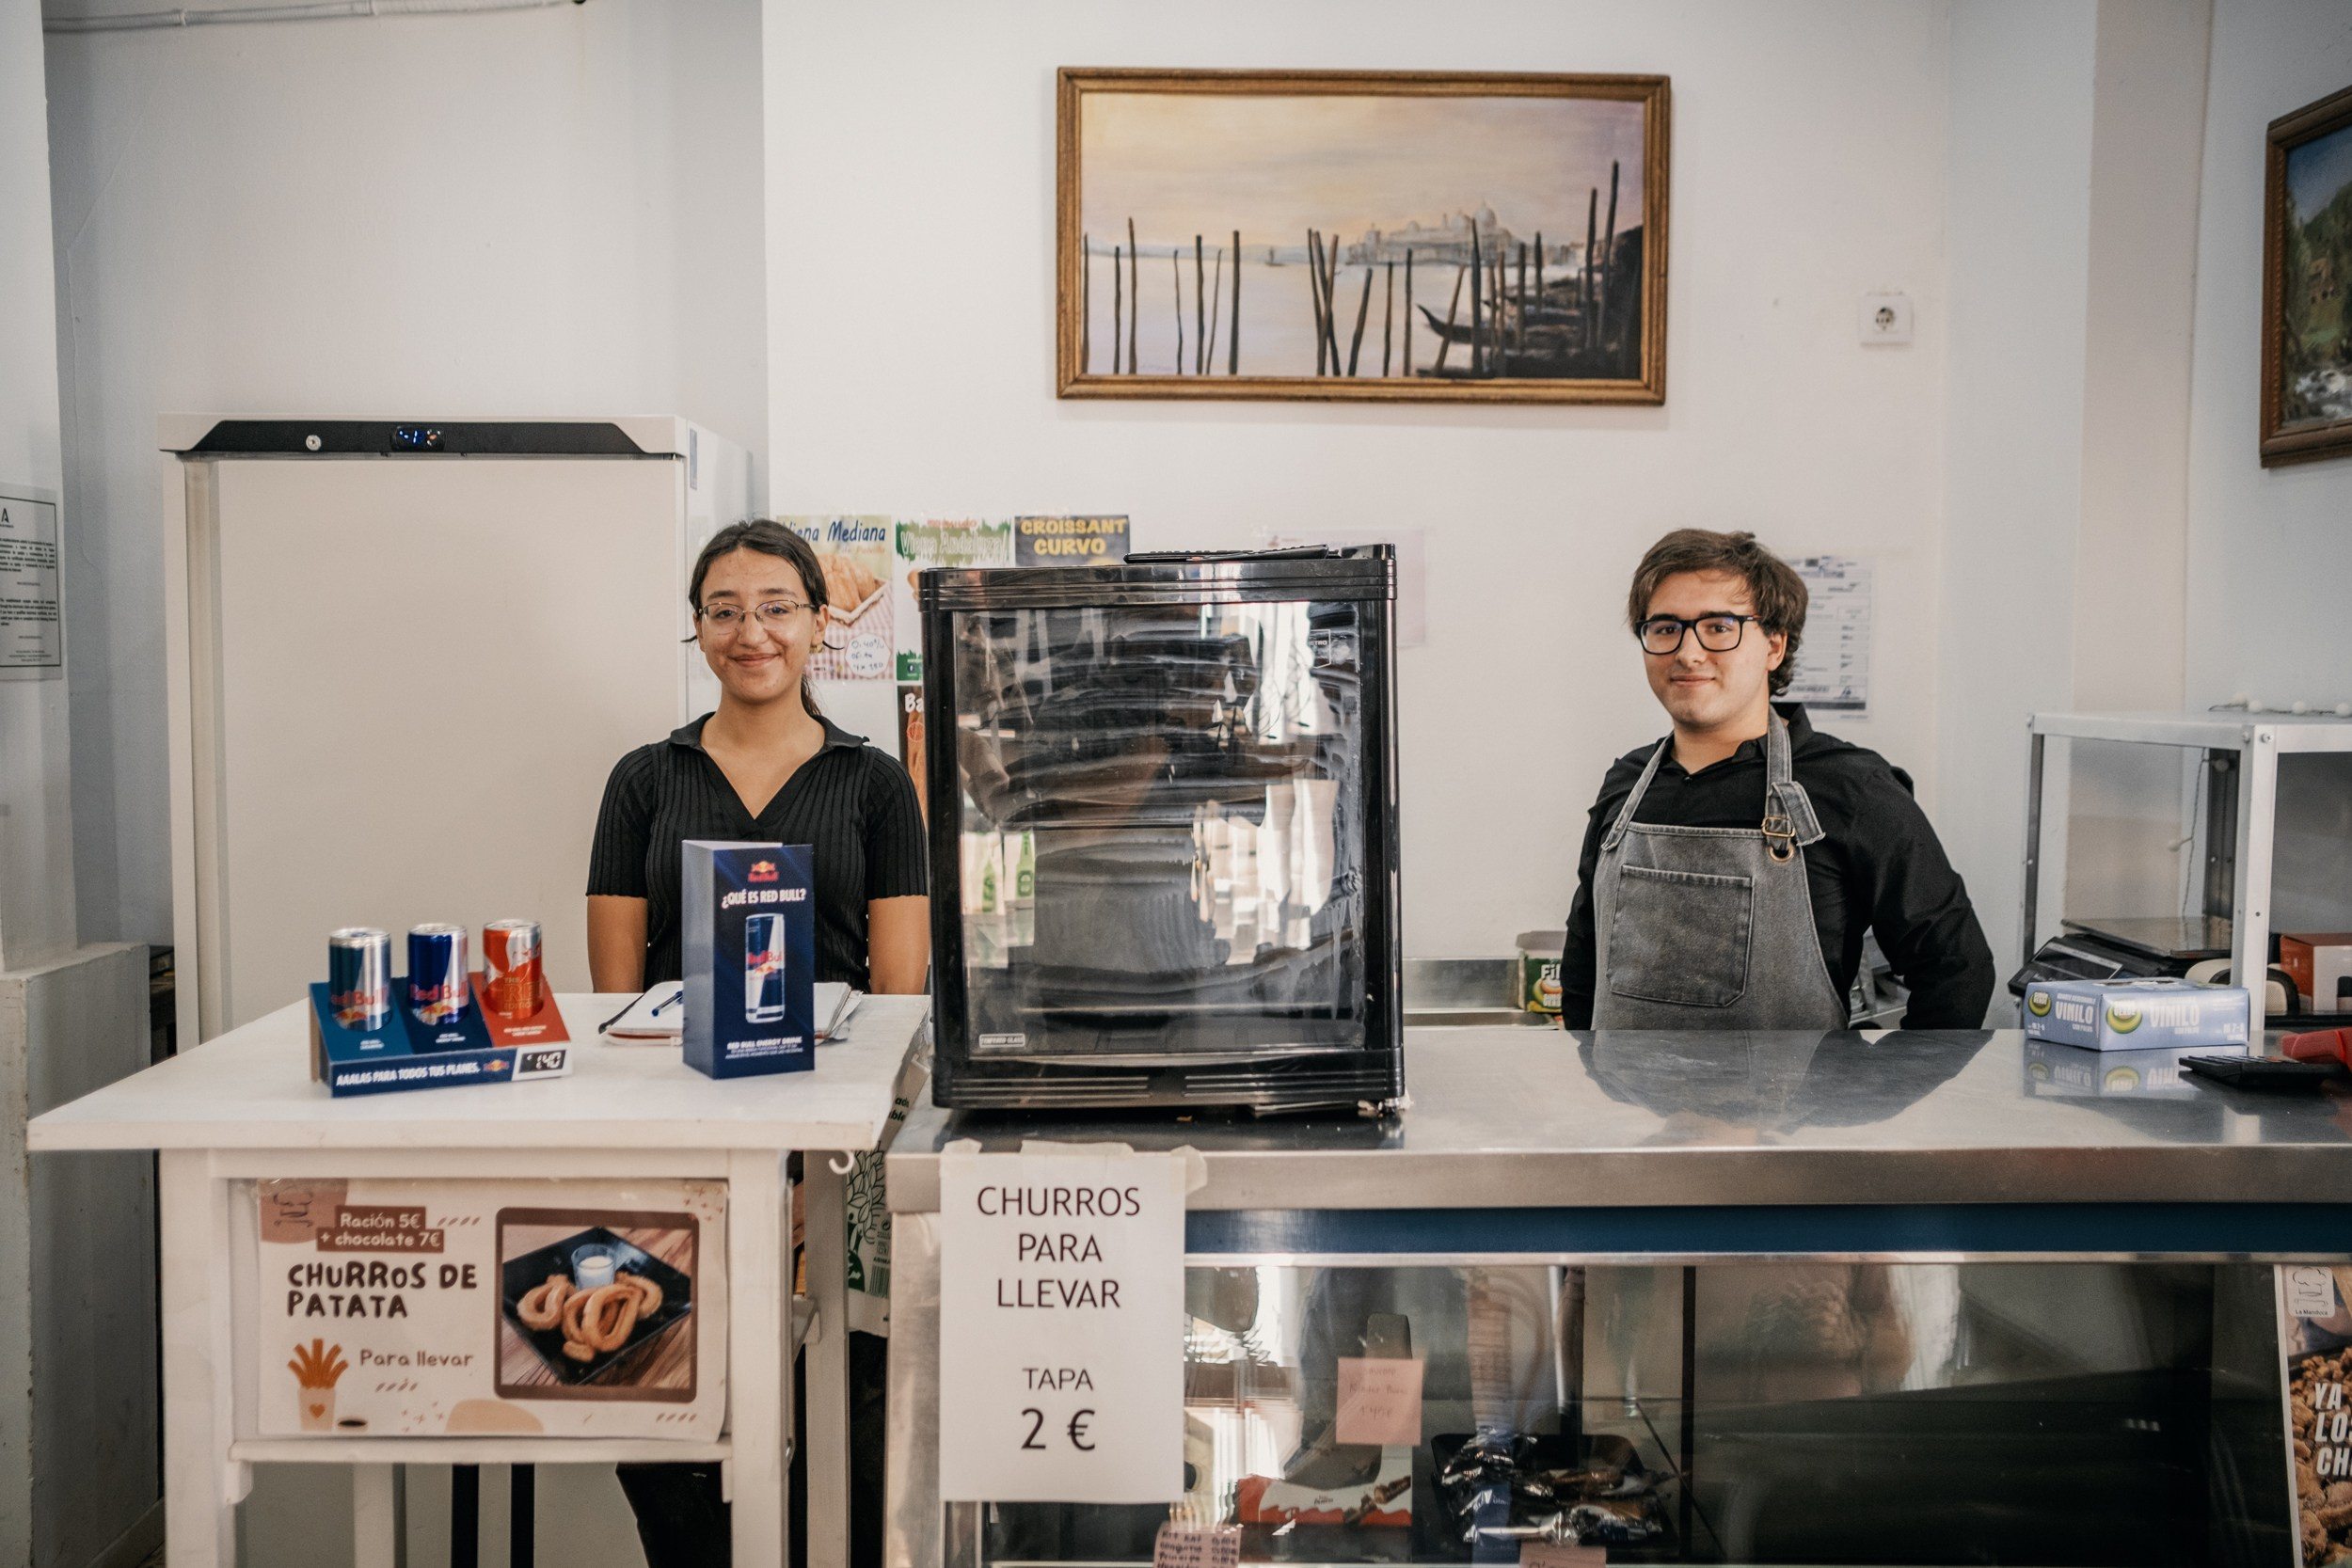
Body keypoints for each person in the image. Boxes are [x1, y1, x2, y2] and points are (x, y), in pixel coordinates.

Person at [587, 517, 928, 1567]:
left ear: (819, 623)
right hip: (677, 1150)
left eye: (777, 608)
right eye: (725, 610)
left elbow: (899, 989)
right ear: (697, 629)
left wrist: (810, 1166)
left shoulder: (872, 785)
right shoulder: (645, 777)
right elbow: (613, 990)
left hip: (833, 1153)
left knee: (849, 1415)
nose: (752, 632)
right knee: (665, 1409)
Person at [1561, 528, 1994, 1031]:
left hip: (1792, 1109)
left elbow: (1956, 968)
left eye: (1719, 627)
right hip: (1633, 1110)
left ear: (1774, 645)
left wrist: (1876, 1091)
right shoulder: (1625, 783)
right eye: (1664, 628)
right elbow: (1582, 961)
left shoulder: (1851, 787)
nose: (1688, 652)